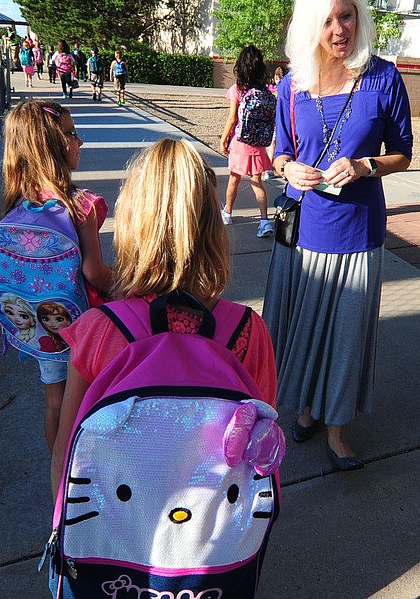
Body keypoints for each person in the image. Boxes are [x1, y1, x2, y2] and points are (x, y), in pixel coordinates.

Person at [50, 137, 278, 495]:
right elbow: (260, 444)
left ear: (132, 224)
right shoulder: (246, 331)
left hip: (119, 532)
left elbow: (67, 450)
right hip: (212, 532)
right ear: (211, 232)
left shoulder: (98, 330)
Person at [264, 0, 413, 471]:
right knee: (307, 327)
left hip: (359, 228)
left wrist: (367, 164)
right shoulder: (292, 84)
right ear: (310, 25)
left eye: (346, 16)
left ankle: (337, 429)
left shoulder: (383, 77)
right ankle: (306, 408)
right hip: (307, 228)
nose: (339, 30)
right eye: (327, 20)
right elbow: (279, 152)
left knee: (347, 334)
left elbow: (404, 153)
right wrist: (291, 169)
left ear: (359, 17)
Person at [1, 99, 114, 449]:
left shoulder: (19, 203)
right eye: (72, 134)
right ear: (52, 145)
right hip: (82, 329)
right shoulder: (80, 205)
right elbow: (93, 271)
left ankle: (58, 470)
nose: (79, 142)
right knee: (83, 405)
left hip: (38, 328)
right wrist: (128, 286)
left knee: (54, 402)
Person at [220, 44, 275, 238]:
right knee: (257, 182)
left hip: (240, 143)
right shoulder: (265, 91)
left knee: (234, 179)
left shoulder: (237, 90)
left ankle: (227, 212)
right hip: (259, 144)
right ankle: (264, 220)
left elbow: (232, 119)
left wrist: (223, 139)